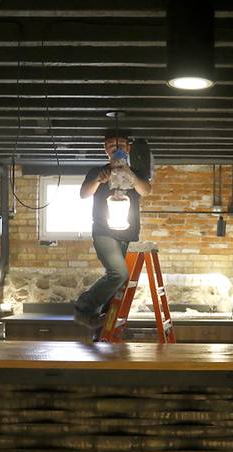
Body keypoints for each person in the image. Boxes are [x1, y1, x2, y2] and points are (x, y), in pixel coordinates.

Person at [74, 132, 152, 328]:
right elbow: (84, 194)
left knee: (120, 283)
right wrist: (98, 180)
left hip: (129, 233)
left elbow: (146, 190)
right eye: (110, 145)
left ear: (128, 148)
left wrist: (129, 174)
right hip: (104, 231)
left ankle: (103, 326)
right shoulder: (97, 172)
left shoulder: (135, 172)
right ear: (104, 149)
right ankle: (84, 308)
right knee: (118, 273)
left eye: (121, 144)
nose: (116, 148)